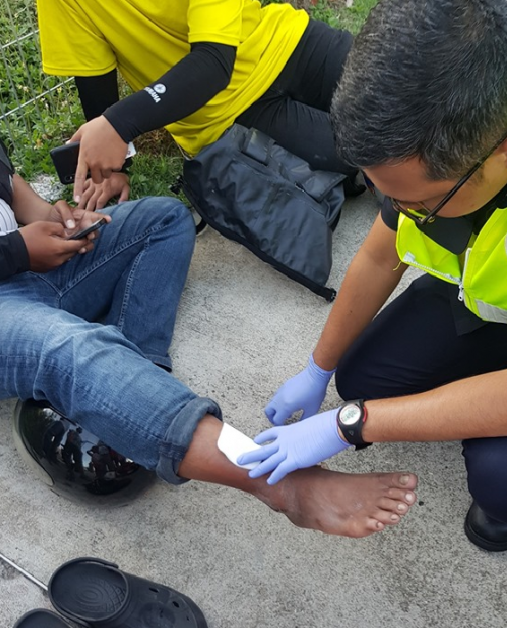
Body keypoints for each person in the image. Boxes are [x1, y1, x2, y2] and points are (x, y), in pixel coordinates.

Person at [239, 0, 507, 553]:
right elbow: (381, 256)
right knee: (362, 377)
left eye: (415, 203)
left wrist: (347, 426)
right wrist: (317, 368)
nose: (397, 211)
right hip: (496, 303)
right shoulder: (450, 110)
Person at [0, 139, 416, 537]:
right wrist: (17, 251)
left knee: (165, 220)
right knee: (64, 349)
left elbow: (8, 182)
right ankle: (281, 486)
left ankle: (132, 383)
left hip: (28, 264)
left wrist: (47, 218)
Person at [36, 0, 365, 211]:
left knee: (405, 93)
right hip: (227, 116)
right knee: (373, 150)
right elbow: (96, 87)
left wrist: (118, 124)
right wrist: (111, 170)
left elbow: (213, 63)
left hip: (290, 42)